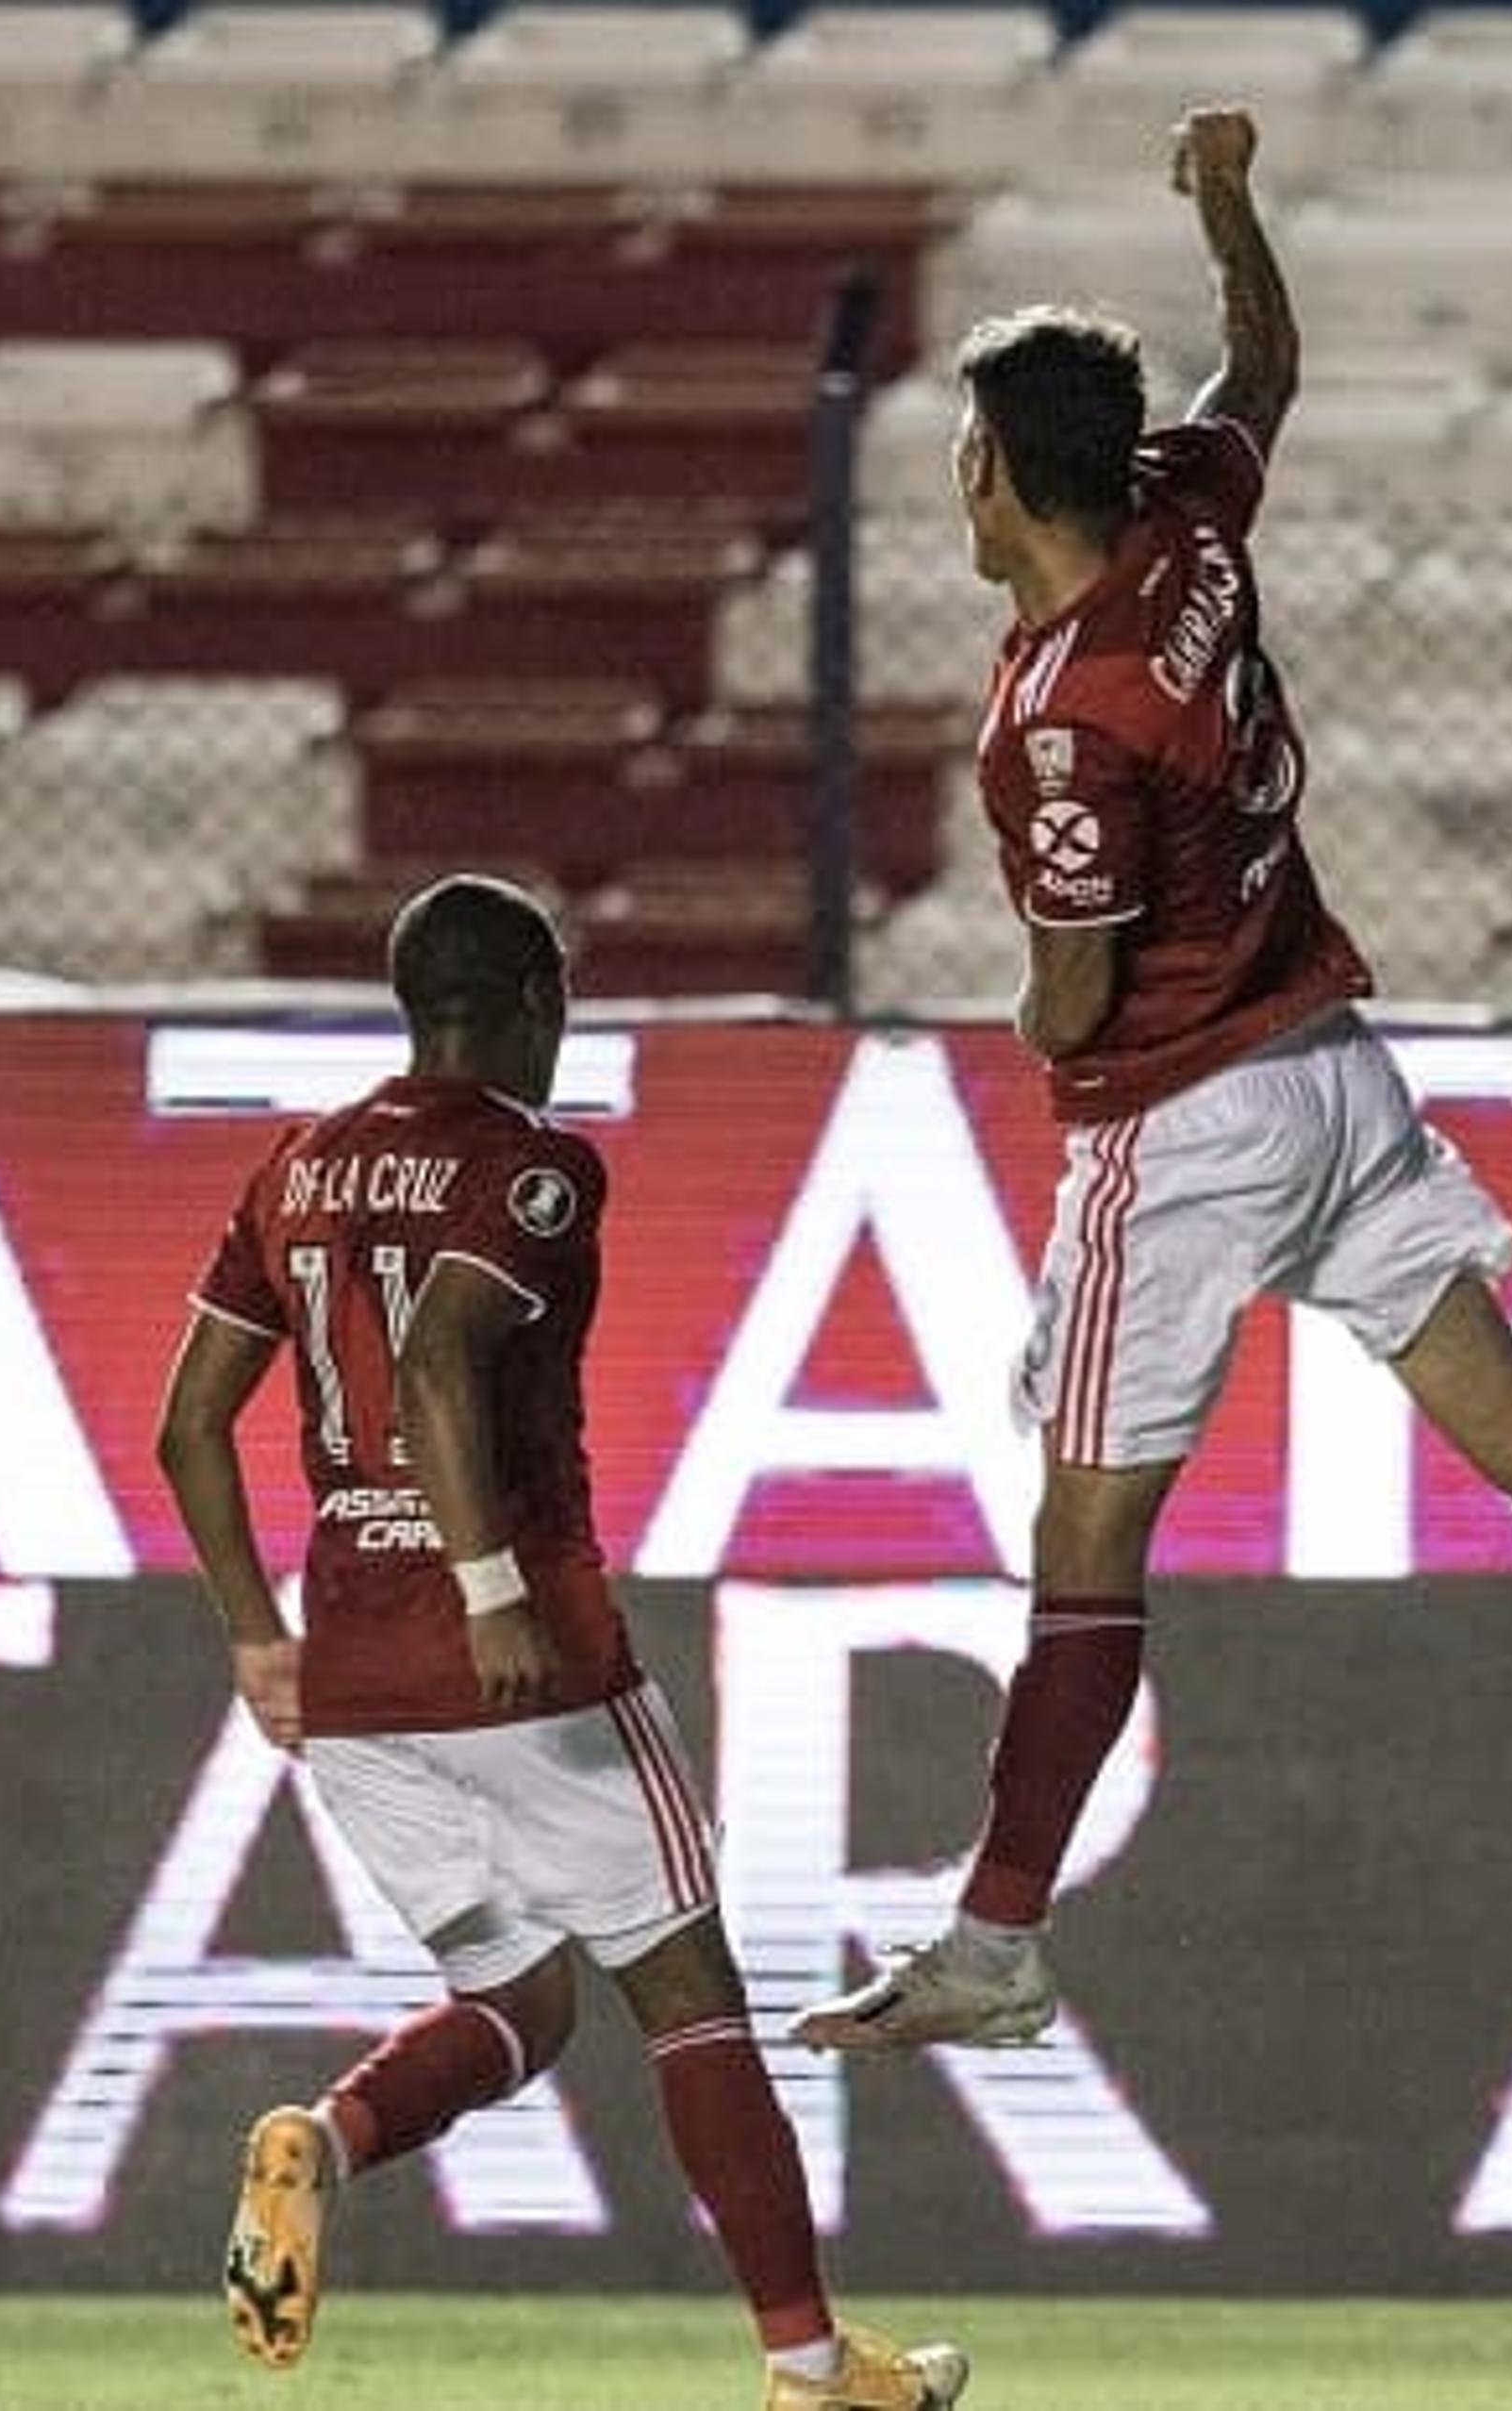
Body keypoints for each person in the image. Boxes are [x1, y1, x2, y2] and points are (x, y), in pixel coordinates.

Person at [792, 109, 1512, 2057]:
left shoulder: (1058, 722)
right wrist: (1223, 208)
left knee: (1083, 1556)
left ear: (992, 477)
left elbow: (1073, 992)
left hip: (1184, 1134)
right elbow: (1265, 369)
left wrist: (1033, 1024)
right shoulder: (1186, 525)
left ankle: (997, 1940)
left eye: (958, 464)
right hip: (1335, 1076)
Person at [156, 873, 967, 2410]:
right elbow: (447, 1361)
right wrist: (489, 1588)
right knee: (692, 1996)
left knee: (521, 2005)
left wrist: (256, 1639)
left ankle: (326, 2141)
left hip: (352, 1679)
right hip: (517, 1657)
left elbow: (189, 1422)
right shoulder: (533, 1171)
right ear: (534, 1003)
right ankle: (809, 2371)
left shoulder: (300, 1166)